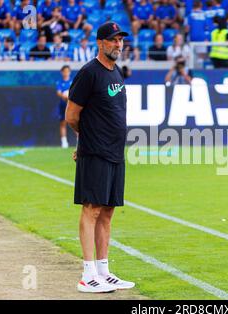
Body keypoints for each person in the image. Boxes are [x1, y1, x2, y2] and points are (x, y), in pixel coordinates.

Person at [65, 21, 135, 293]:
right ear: (100, 42)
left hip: (116, 153)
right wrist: (87, 140)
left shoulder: (116, 72)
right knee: (92, 209)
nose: (118, 44)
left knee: (107, 211)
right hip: (95, 153)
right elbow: (72, 116)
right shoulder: (88, 73)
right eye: (113, 40)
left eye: (120, 40)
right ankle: (87, 274)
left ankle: (104, 272)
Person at [56, 65, 73, 148]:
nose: (66, 73)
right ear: (62, 72)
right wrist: (64, 96)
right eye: (64, 71)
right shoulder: (59, 82)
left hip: (72, 106)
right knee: (63, 123)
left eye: (67, 71)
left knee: (75, 123)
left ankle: (79, 141)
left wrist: (69, 96)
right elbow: (58, 92)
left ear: (70, 72)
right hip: (63, 105)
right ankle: (64, 142)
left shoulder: (73, 82)